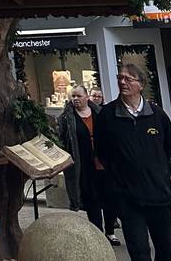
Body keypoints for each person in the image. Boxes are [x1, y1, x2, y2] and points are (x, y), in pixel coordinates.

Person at [94, 62, 171, 261]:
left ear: (141, 84)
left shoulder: (157, 115)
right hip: (127, 196)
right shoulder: (108, 115)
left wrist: (157, 171)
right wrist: (118, 178)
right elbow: (102, 151)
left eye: (128, 79)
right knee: (139, 250)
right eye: (120, 78)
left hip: (158, 194)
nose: (122, 82)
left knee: (165, 248)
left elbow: (168, 147)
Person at [59, 86, 119, 246]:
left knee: (110, 199)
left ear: (87, 97)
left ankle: (110, 232)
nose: (75, 99)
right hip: (84, 165)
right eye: (73, 96)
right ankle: (98, 234)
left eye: (79, 95)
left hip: (105, 163)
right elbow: (63, 142)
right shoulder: (67, 118)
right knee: (92, 200)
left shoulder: (100, 113)